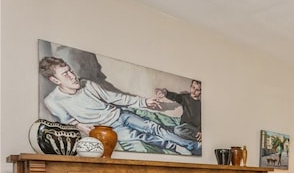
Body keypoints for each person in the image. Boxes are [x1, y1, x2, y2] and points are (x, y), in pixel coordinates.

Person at [39, 56, 201, 155]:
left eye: (70, 70)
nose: (72, 76)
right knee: (140, 137)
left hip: (121, 114)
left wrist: (144, 102)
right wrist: (84, 128)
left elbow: (115, 98)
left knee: (153, 126)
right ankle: (174, 147)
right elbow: (69, 121)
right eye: (65, 74)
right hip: (108, 128)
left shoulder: (87, 84)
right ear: (55, 80)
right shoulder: (52, 101)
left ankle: (191, 145)